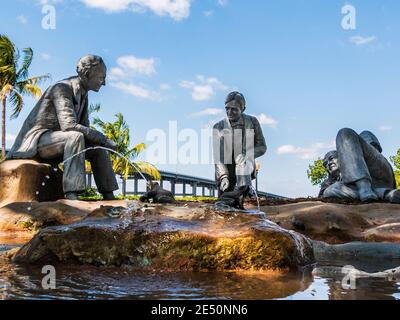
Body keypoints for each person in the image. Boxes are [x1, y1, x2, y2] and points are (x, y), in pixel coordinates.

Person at [6, 55, 119, 200]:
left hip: (58, 143)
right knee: (75, 136)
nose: (103, 83)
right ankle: (72, 194)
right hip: (38, 141)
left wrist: (100, 142)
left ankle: (108, 194)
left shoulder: (83, 95)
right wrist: (103, 138)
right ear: (87, 74)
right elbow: (69, 126)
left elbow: (85, 128)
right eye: (101, 77)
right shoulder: (62, 88)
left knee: (98, 148)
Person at [213, 92, 267, 209]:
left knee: (242, 164)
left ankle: (236, 195)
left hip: (244, 168)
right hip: (226, 169)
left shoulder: (252, 122)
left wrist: (247, 154)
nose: (229, 112)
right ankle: (228, 198)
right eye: (227, 108)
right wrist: (223, 176)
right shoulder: (218, 127)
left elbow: (262, 147)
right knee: (224, 209)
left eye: (234, 109)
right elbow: (218, 157)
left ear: (243, 109)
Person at [320, 128, 400, 203]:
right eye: (325, 164)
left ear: (343, 155)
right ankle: (384, 193)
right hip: (373, 190)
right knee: (329, 191)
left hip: (380, 171)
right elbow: (322, 195)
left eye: (331, 158)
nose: (329, 163)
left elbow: (373, 147)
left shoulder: (363, 139)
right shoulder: (332, 183)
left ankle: (364, 187)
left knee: (345, 133)